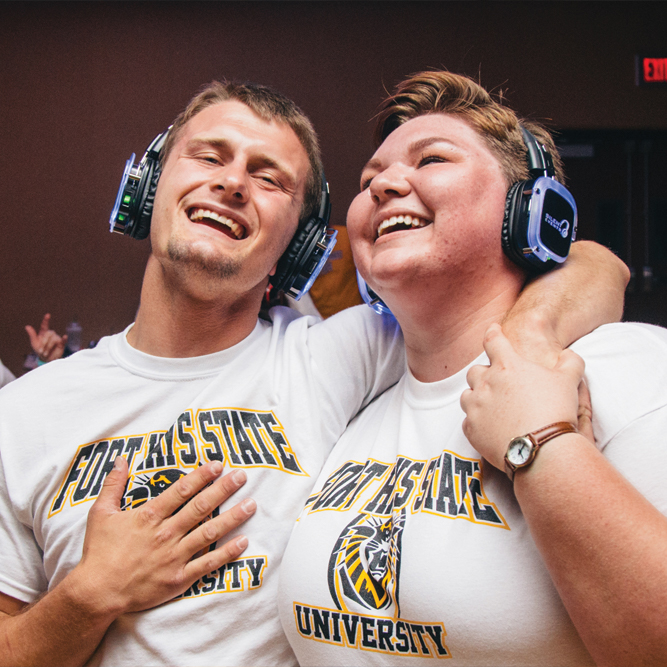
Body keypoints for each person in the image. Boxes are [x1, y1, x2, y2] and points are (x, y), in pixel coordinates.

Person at [0, 79, 626, 667]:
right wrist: (90, 595)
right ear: (148, 185)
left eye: (269, 178)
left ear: (298, 247)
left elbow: (594, 265)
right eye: (209, 157)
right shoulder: (25, 412)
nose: (234, 183)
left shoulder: (340, 355)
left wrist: (525, 348)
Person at [277, 71, 664, 667]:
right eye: (369, 179)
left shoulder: (627, 371)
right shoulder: (358, 395)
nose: (384, 186)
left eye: (431, 159)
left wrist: (544, 443)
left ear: (530, 211)